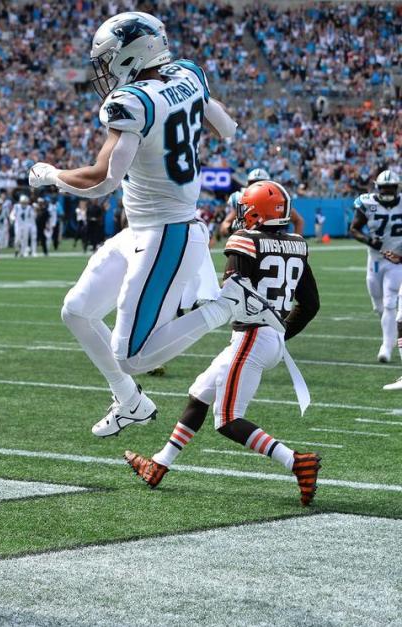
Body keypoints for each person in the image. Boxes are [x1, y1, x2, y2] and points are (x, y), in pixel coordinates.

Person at [29, 11, 283, 437]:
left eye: (110, 59)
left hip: (169, 232)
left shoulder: (132, 102)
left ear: (132, 53)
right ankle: (130, 400)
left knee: (131, 353)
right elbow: (227, 127)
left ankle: (229, 304)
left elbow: (102, 180)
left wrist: (51, 175)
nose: (106, 70)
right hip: (146, 228)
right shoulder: (188, 73)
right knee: (77, 310)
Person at [124, 181, 322, 506]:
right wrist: (279, 333)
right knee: (199, 395)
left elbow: (231, 294)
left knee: (228, 419)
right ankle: (159, 464)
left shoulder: (245, 240)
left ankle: (296, 462)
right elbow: (310, 304)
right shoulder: (297, 244)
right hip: (265, 337)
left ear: (256, 211)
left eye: (246, 207)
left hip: (252, 337)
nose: (242, 213)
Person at [349, 170, 402, 363]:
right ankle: (392, 330)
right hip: (375, 260)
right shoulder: (367, 203)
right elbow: (354, 228)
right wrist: (372, 242)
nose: (387, 191)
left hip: (396, 262)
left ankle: (386, 347)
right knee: (378, 306)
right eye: (384, 187)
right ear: (377, 188)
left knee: (389, 304)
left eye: (391, 187)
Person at [220, 168, 306, 237]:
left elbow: (298, 221)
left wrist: (296, 244)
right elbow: (224, 225)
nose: (257, 186)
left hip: (277, 247)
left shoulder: (278, 203)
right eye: (253, 183)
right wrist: (230, 229)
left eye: (261, 182)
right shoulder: (244, 205)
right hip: (253, 249)